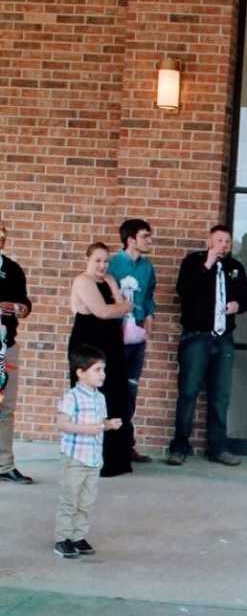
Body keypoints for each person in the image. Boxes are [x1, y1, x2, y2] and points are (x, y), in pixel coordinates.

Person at [166, 225, 247, 467]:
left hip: (223, 338)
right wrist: (207, 264)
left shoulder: (235, 267)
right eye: (219, 240)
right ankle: (180, 447)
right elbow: (184, 290)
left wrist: (238, 305)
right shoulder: (193, 262)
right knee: (189, 393)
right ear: (209, 241)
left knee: (220, 396)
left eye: (227, 241)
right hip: (197, 337)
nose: (223, 245)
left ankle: (218, 448)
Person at [68, 242, 132, 477]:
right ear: (87, 259)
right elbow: (103, 311)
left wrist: (120, 306)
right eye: (98, 260)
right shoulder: (82, 281)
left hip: (111, 344)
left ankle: (115, 460)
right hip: (88, 345)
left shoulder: (110, 280)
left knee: (115, 398)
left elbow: (119, 305)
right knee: (89, 401)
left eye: (106, 261)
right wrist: (123, 306)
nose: (103, 265)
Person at [54, 344, 123, 559]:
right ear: (80, 373)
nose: (103, 374)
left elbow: (99, 422)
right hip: (74, 458)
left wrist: (108, 424)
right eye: (97, 370)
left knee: (86, 501)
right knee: (70, 499)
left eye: (103, 369)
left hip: (93, 459)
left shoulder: (99, 398)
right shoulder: (71, 397)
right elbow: (62, 424)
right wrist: (87, 429)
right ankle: (62, 539)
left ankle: (78, 536)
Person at [108, 218, 156, 463]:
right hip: (113, 337)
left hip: (137, 338)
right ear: (131, 239)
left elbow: (148, 297)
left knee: (130, 391)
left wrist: (148, 319)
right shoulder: (112, 264)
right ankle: (109, 447)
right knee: (111, 390)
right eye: (145, 236)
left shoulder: (148, 267)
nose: (149, 241)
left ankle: (127, 445)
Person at [0, 217, 34, 485]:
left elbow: (24, 301)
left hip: (5, 346)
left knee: (5, 407)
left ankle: (4, 464)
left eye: (3, 233)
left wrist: (21, 308)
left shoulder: (12, 269)